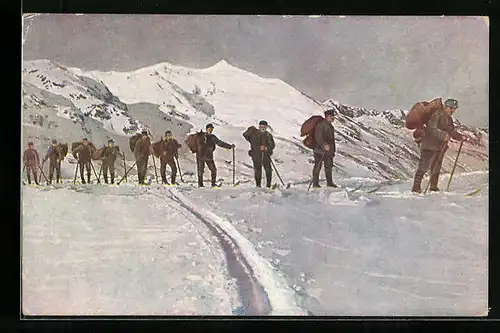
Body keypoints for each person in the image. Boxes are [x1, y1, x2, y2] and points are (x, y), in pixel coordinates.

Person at [412, 98, 465, 193]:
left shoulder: (448, 118)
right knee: (424, 166)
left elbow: (451, 131)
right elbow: (432, 129)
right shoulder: (436, 114)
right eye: (451, 108)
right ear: (445, 107)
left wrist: (460, 137)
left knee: (436, 166)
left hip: (440, 147)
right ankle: (416, 187)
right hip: (429, 145)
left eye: (454, 108)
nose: (453, 110)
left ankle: (433, 187)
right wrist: (444, 135)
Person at [197, 123, 235, 187]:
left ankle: (213, 184)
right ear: (206, 129)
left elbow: (220, 143)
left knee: (213, 170)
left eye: (211, 129)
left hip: (209, 157)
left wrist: (229, 146)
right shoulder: (202, 137)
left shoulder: (213, 137)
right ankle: (200, 185)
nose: (211, 130)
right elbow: (198, 145)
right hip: (201, 156)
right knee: (200, 171)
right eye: (209, 129)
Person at [312, 109, 337, 188]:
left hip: (328, 151)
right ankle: (315, 183)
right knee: (318, 166)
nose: (333, 118)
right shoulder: (321, 125)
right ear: (328, 116)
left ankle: (329, 183)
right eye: (332, 116)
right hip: (319, 150)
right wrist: (324, 145)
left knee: (328, 166)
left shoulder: (329, 125)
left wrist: (332, 150)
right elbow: (318, 137)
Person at [249, 120, 275, 188]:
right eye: (261, 126)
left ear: (266, 127)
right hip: (256, 155)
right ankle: (258, 185)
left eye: (264, 127)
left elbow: (272, 145)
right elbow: (253, 145)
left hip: (266, 155)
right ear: (259, 126)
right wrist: (259, 148)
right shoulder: (255, 134)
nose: (263, 128)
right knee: (258, 171)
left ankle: (268, 185)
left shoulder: (268, 135)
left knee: (268, 170)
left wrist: (267, 148)